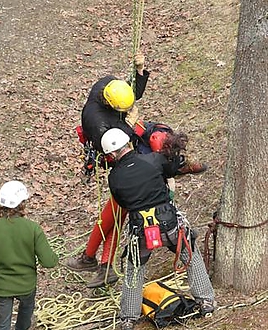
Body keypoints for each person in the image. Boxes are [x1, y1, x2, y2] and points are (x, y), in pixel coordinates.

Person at [67, 52, 207, 288]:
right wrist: (130, 124)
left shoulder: (109, 87)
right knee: (118, 208)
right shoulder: (96, 122)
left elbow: (133, 95)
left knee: (158, 137)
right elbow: (118, 144)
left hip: (125, 140)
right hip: (115, 153)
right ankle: (95, 260)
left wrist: (140, 71)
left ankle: (98, 261)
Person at [100, 128, 215, 330]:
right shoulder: (153, 160)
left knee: (134, 271)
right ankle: (205, 301)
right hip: (168, 224)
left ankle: (128, 318)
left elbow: (122, 201)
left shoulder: (114, 177)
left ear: (110, 155)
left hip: (141, 232)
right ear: (128, 143)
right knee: (190, 255)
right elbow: (173, 169)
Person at [0, 180, 59, 330]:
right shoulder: (33, 228)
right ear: (22, 203)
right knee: (24, 320)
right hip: (26, 285)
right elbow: (49, 262)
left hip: (1, 287)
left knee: (1, 326)